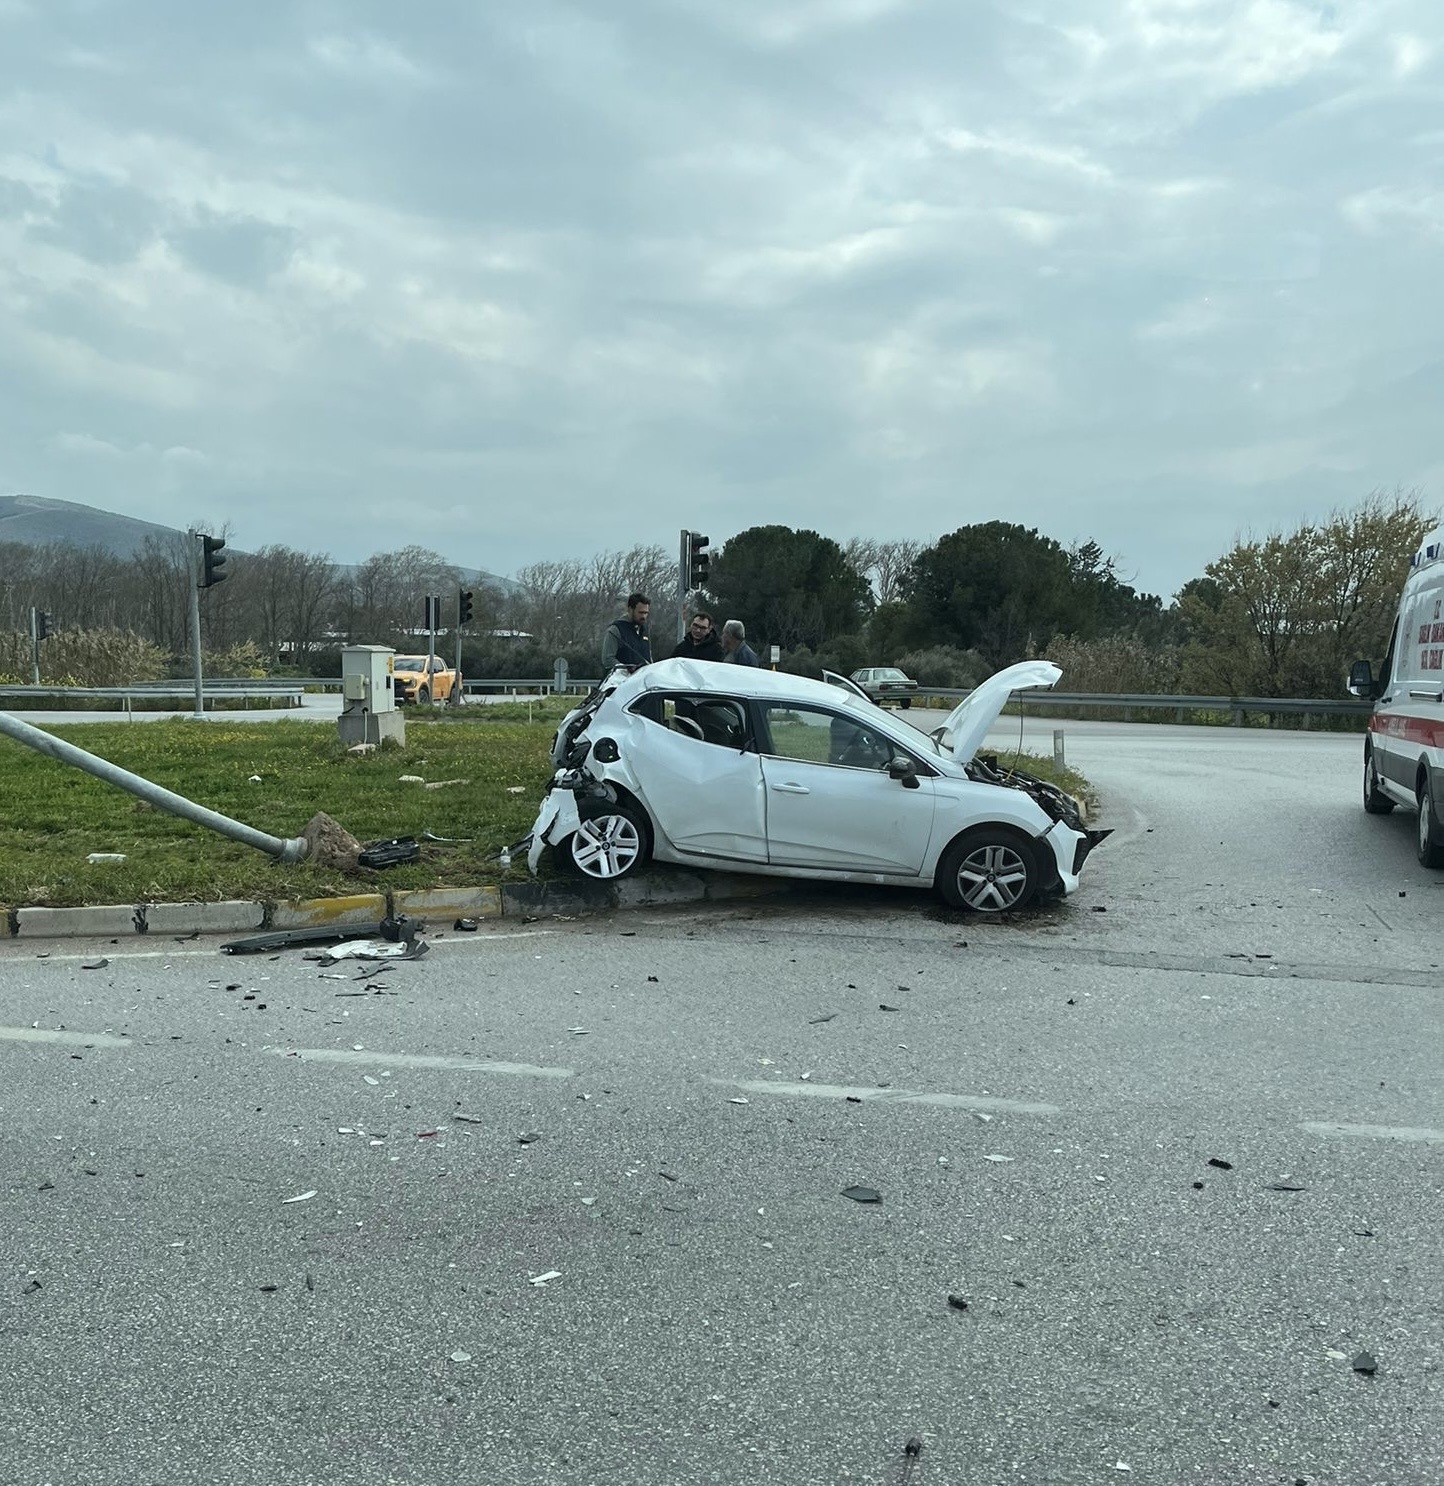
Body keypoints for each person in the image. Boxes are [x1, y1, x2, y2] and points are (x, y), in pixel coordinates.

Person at [601, 593, 653, 670]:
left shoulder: (644, 630)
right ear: (630, 609)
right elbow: (608, 659)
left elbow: (649, 658)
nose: (643, 616)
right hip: (621, 680)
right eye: (640, 613)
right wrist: (627, 669)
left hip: (642, 680)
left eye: (646, 613)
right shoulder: (616, 630)